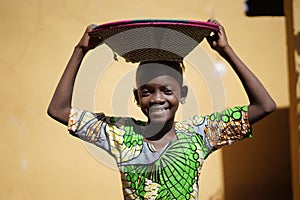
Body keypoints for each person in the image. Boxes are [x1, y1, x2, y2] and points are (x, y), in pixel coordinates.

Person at [47, 19, 276, 200]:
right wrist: (80, 50)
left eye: (167, 91)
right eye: (146, 91)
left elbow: (264, 106)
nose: (157, 99)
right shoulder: (120, 134)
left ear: (183, 94)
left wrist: (226, 52)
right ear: (136, 98)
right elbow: (58, 109)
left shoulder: (200, 133)